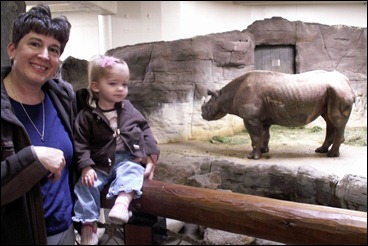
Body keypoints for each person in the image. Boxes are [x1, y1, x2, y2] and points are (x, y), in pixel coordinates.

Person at [1, 4, 77, 245]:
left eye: (53, 49)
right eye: (35, 44)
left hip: (64, 230)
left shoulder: (63, 97)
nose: (44, 55)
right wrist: (32, 159)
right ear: (12, 50)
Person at [72, 55, 160, 245]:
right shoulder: (87, 115)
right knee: (85, 186)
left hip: (127, 158)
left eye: (125, 84)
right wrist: (86, 167)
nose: (121, 89)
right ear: (96, 87)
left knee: (133, 171)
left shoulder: (128, 108)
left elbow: (144, 128)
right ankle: (88, 225)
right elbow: (80, 143)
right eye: (113, 83)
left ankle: (122, 204)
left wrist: (150, 154)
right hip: (100, 163)